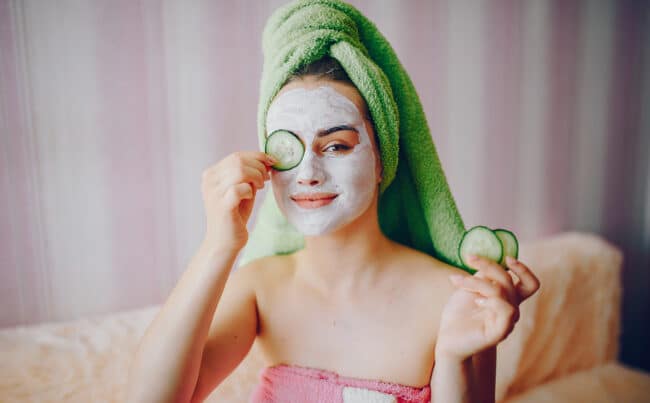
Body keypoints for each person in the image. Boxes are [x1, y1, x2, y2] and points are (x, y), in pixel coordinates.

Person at [126, 3, 540, 403]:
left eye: (337, 145)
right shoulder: (260, 287)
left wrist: (453, 356)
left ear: (383, 159)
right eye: (289, 149)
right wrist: (218, 245)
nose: (307, 173)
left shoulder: (454, 298)